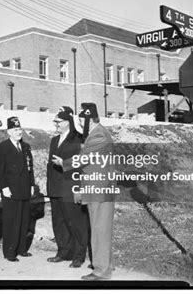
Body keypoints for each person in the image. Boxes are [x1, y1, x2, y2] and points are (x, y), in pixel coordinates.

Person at [52, 102, 115, 280]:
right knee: (100, 229)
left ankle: (102, 271)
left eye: (80, 120)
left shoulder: (98, 135)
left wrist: (63, 163)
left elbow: (84, 158)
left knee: (100, 229)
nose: (78, 123)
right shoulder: (96, 133)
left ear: (88, 120)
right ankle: (106, 265)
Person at [46, 106, 89, 268]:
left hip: (71, 187)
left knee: (76, 223)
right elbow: (50, 166)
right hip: (55, 188)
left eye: (58, 121)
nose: (55, 124)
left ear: (67, 122)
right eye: (55, 121)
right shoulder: (54, 140)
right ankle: (63, 252)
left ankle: (79, 256)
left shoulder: (79, 139)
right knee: (59, 223)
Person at [0, 116, 35, 262]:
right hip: (10, 190)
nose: (19, 132)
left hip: (24, 189)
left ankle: (21, 249)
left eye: (20, 129)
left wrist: (31, 185)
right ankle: (10, 252)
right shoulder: (3, 147)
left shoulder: (25, 147)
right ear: (9, 132)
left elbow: (30, 168)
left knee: (24, 220)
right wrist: (4, 187)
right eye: (15, 130)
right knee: (12, 221)